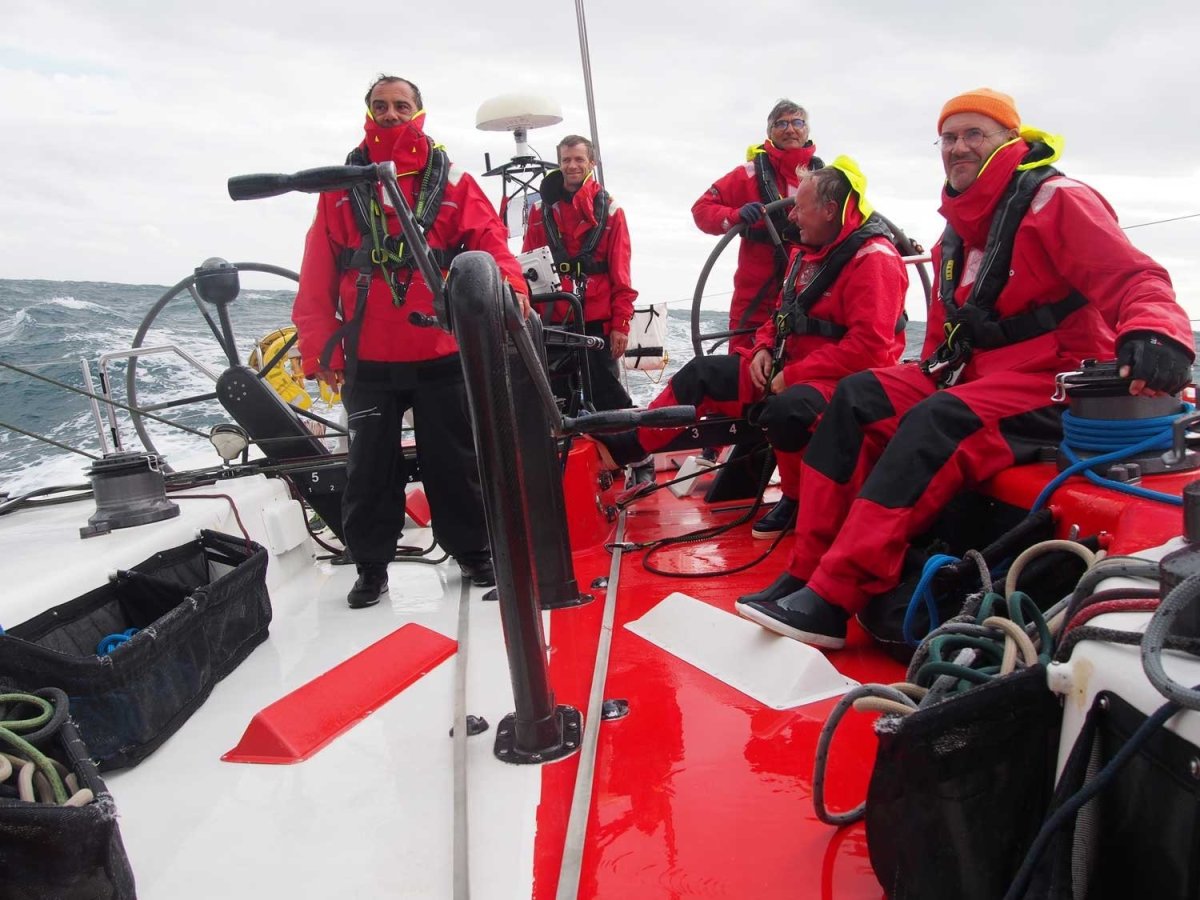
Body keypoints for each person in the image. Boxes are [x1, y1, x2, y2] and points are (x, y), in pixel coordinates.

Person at [738, 88, 1194, 649]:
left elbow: (1135, 277)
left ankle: (832, 599)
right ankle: (805, 572)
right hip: (972, 374)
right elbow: (942, 334)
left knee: (938, 419)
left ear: (1010, 139)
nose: (958, 147)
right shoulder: (954, 232)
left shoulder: (1058, 201)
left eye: (974, 133)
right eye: (948, 137)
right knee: (856, 396)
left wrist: (1157, 332)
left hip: (1053, 380)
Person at [292, 74, 529, 609]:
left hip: (441, 351)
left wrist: (511, 289)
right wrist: (321, 348)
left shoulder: (455, 181)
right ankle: (370, 566)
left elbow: (491, 243)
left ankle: (474, 553)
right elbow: (316, 273)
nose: (391, 113)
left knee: (456, 463)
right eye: (381, 105)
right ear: (368, 113)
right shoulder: (339, 188)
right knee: (368, 470)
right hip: (368, 357)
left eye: (401, 105)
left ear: (419, 112)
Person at [597, 158, 908, 531]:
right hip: (785, 367)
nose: (791, 216)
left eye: (800, 208)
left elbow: (869, 349)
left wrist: (792, 376)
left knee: (786, 411)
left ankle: (797, 499)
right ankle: (628, 447)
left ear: (829, 210)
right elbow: (780, 315)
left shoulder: (874, 261)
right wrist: (762, 347)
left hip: (842, 382)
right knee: (702, 374)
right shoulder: (806, 252)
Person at [692, 99, 823, 355]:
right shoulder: (748, 175)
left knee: (806, 360)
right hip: (755, 297)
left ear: (807, 130)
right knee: (741, 363)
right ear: (769, 132)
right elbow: (702, 209)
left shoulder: (824, 179)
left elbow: (853, 220)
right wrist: (734, 215)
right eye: (781, 124)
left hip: (809, 292)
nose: (790, 129)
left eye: (797, 122)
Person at [523, 135, 636, 412]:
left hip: (597, 320)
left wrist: (621, 325)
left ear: (592, 163)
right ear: (559, 163)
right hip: (553, 319)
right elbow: (526, 268)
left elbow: (622, 276)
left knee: (607, 397)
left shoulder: (612, 212)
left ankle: (620, 438)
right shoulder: (539, 211)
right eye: (566, 160)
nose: (572, 165)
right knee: (556, 401)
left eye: (579, 159)